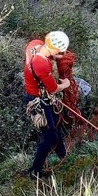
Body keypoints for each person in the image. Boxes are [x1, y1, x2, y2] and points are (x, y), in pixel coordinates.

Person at [24, 31, 71, 179]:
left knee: (55, 126)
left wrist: (53, 55)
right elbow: (53, 88)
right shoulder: (42, 63)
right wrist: (66, 84)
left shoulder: (34, 44)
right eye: (61, 51)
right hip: (39, 101)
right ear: (55, 49)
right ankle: (35, 172)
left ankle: (63, 156)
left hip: (37, 95)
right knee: (49, 137)